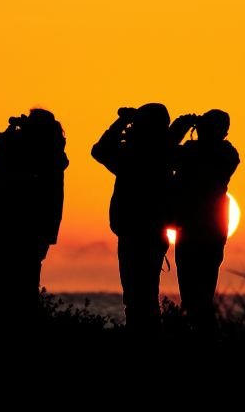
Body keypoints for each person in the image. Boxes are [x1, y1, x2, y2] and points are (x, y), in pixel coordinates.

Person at [0, 108, 68, 320]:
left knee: (12, 291)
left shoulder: (45, 159)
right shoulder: (50, 158)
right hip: (28, 232)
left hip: (24, 231)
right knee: (20, 290)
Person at [92, 103, 184, 329]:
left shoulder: (134, 157)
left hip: (135, 233)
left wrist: (122, 121)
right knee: (145, 294)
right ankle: (148, 334)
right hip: (151, 232)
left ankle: (141, 337)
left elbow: (100, 150)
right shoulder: (165, 152)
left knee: (135, 296)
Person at [172, 109, 240, 334]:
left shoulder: (224, 154)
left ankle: (201, 334)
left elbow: (166, 153)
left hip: (202, 227)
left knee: (200, 290)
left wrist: (179, 129)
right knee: (192, 290)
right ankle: (200, 333)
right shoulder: (222, 153)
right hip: (198, 226)